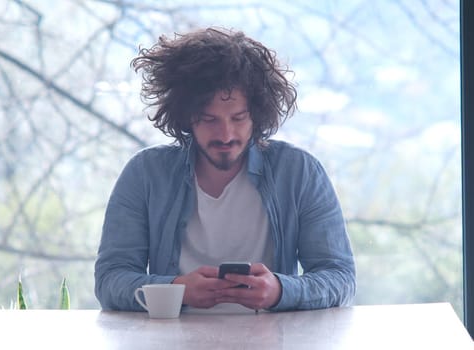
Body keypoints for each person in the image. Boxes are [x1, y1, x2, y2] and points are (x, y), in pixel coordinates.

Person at [94, 27, 355, 312]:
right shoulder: (145, 174)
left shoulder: (299, 172)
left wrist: (280, 290)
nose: (226, 134)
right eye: (208, 119)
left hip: (274, 340)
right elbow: (110, 280)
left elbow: (340, 277)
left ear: (257, 114)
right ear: (185, 118)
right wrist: (177, 290)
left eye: (238, 118)